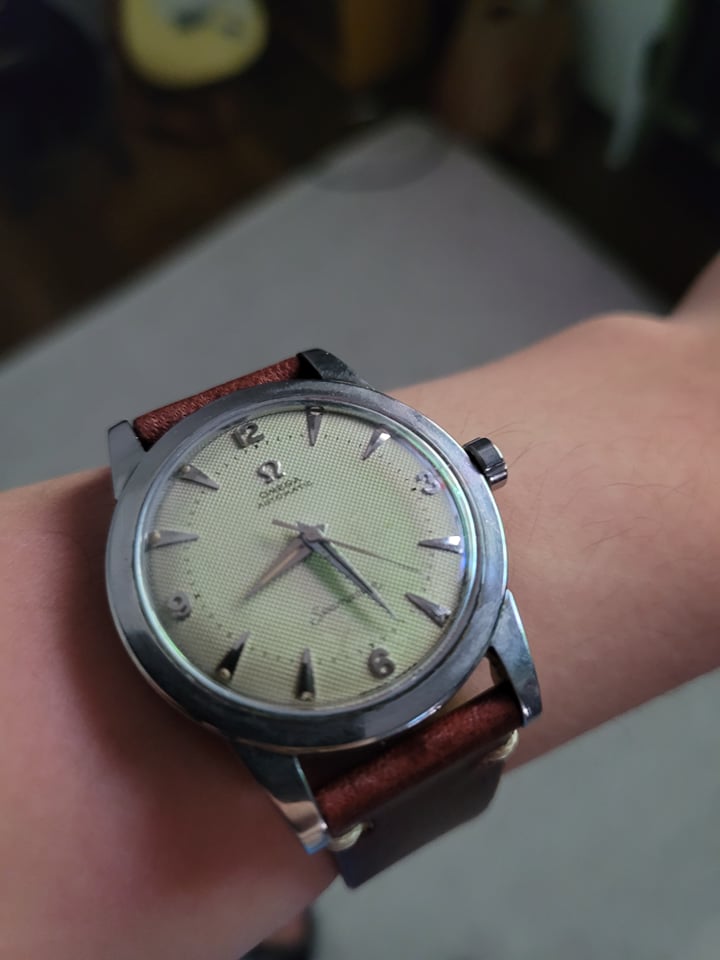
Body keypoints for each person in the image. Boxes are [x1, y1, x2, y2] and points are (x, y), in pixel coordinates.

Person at [2, 256, 720, 960]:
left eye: (311, 537)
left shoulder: (498, 682)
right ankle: (290, 902)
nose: (309, 537)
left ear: (477, 468)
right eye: (305, 540)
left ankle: (279, 919)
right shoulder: (159, 469)